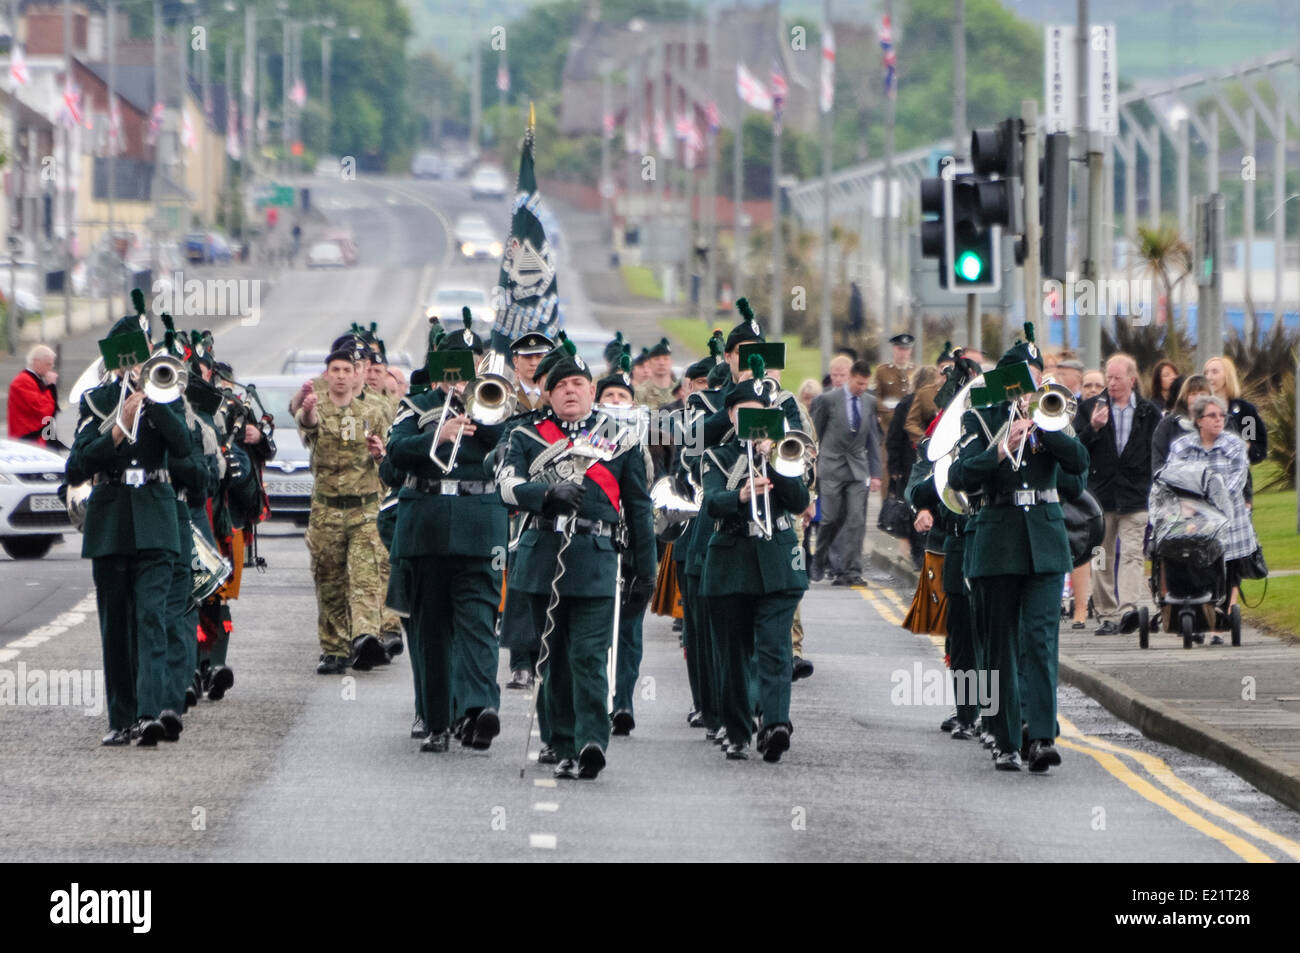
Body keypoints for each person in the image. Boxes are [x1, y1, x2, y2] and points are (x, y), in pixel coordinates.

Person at [496, 345, 656, 781]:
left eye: (578, 384)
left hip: (597, 559)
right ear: (547, 395)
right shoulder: (525, 437)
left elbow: (639, 509)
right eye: (560, 386)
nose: (570, 392)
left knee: (588, 655)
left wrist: (647, 569)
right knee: (553, 658)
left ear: (592, 391)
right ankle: (560, 741)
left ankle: (590, 741)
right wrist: (545, 495)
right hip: (542, 558)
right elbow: (506, 487)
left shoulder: (619, 440)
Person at [946, 324, 1089, 771]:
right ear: (1008, 382)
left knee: (1040, 640)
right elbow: (959, 477)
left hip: (1045, 541)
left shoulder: (1053, 415)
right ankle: (1006, 736)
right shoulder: (980, 418)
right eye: (1024, 377)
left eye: (1037, 375)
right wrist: (999, 449)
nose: (1032, 386)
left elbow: (1079, 470)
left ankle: (1041, 735)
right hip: (997, 539)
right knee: (1001, 644)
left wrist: (1050, 431)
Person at [66, 315, 194, 746]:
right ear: (117, 358)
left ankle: (150, 713)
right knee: (116, 625)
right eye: (130, 357)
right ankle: (121, 719)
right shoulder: (96, 402)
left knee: (151, 618)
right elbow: (77, 465)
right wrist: (119, 426)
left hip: (156, 520)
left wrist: (156, 404)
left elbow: (184, 449)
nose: (136, 365)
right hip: (111, 521)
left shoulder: (168, 395)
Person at [386, 325, 505, 753]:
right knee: (431, 629)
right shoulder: (416, 405)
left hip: (480, 527)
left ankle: (478, 710)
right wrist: (440, 432)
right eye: (454, 368)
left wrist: (477, 410)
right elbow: (395, 454)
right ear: (440, 368)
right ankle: (437, 721)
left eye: (471, 368)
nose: (462, 376)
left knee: (479, 623)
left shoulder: (496, 403)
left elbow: (507, 448)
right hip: (427, 528)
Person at [699, 356, 809, 762]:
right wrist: (740, 496)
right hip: (731, 559)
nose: (754, 419)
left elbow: (798, 501)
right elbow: (710, 502)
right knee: (732, 652)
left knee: (775, 646)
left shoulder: (784, 452)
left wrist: (775, 462)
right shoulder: (717, 457)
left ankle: (777, 722)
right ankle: (738, 728)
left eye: (761, 413)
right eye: (746, 413)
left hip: (777, 559)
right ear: (731, 414)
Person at [297, 350, 392, 674]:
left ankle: (365, 637)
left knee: (365, 577)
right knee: (330, 580)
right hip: (326, 510)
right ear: (327, 375)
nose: (340, 375)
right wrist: (307, 410)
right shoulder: (317, 407)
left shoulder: (373, 410)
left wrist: (380, 454)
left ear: (356, 375)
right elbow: (308, 427)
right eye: (334, 370)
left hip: (364, 509)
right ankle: (335, 650)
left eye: (346, 370)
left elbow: (387, 457)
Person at [1071, 353, 1162, 635]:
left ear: (1131, 380)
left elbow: (1157, 452)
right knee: (1101, 555)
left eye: (1117, 378)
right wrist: (1093, 428)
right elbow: (1074, 450)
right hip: (1101, 495)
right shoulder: (1088, 409)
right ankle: (1108, 613)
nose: (1110, 383)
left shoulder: (1149, 412)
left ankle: (1129, 611)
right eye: (1108, 377)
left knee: (1133, 554)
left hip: (1136, 495)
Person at [1165, 395, 1258, 607]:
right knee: (1195, 565)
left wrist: (1212, 499)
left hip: (1229, 518)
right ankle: (1197, 612)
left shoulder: (1234, 445)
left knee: (1229, 570)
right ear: (1198, 420)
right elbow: (1173, 476)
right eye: (1212, 415)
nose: (1218, 420)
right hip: (1194, 519)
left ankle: (1222, 622)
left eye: (1221, 416)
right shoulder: (1182, 446)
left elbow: (1238, 478)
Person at [809, 358, 883, 586]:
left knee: (856, 520)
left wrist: (876, 473)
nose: (862, 388)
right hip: (831, 466)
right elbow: (815, 434)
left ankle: (851, 571)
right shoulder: (827, 400)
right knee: (830, 519)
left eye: (865, 384)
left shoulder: (869, 402)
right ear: (850, 378)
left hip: (857, 468)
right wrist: (813, 466)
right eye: (859, 383)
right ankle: (820, 559)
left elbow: (872, 438)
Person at [1203, 356, 1267, 468]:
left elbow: (1257, 449)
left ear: (1227, 375)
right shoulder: (1198, 409)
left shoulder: (1245, 410)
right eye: (1206, 373)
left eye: (1214, 372)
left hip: (1237, 478)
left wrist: (1243, 446)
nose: (1209, 377)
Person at [1152, 375, 1210, 473]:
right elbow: (1158, 463)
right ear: (1185, 397)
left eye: (1203, 393)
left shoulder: (1222, 421)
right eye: (1193, 394)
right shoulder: (1168, 425)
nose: (1198, 398)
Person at [873, 332, 916, 463]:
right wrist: (889, 414)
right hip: (889, 426)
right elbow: (876, 397)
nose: (903, 353)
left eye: (906, 349)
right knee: (888, 463)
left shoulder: (916, 371)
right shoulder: (882, 371)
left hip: (910, 427)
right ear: (894, 349)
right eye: (900, 349)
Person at [8, 344, 59, 446]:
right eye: (47, 364)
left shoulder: (33, 380)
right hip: (28, 441)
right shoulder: (23, 381)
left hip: (35, 439)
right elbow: (44, 411)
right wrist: (51, 387)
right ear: (36, 362)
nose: (50, 369)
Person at [511, 331, 551, 412]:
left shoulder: (556, 395)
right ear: (515, 361)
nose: (533, 363)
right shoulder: (507, 394)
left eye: (539, 357)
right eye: (527, 357)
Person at [635, 337, 677, 410]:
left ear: (671, 362)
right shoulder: (640, 392)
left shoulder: (679, 391)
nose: (661, 363)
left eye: (665, 359)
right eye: (656, 359)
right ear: (649, 363)